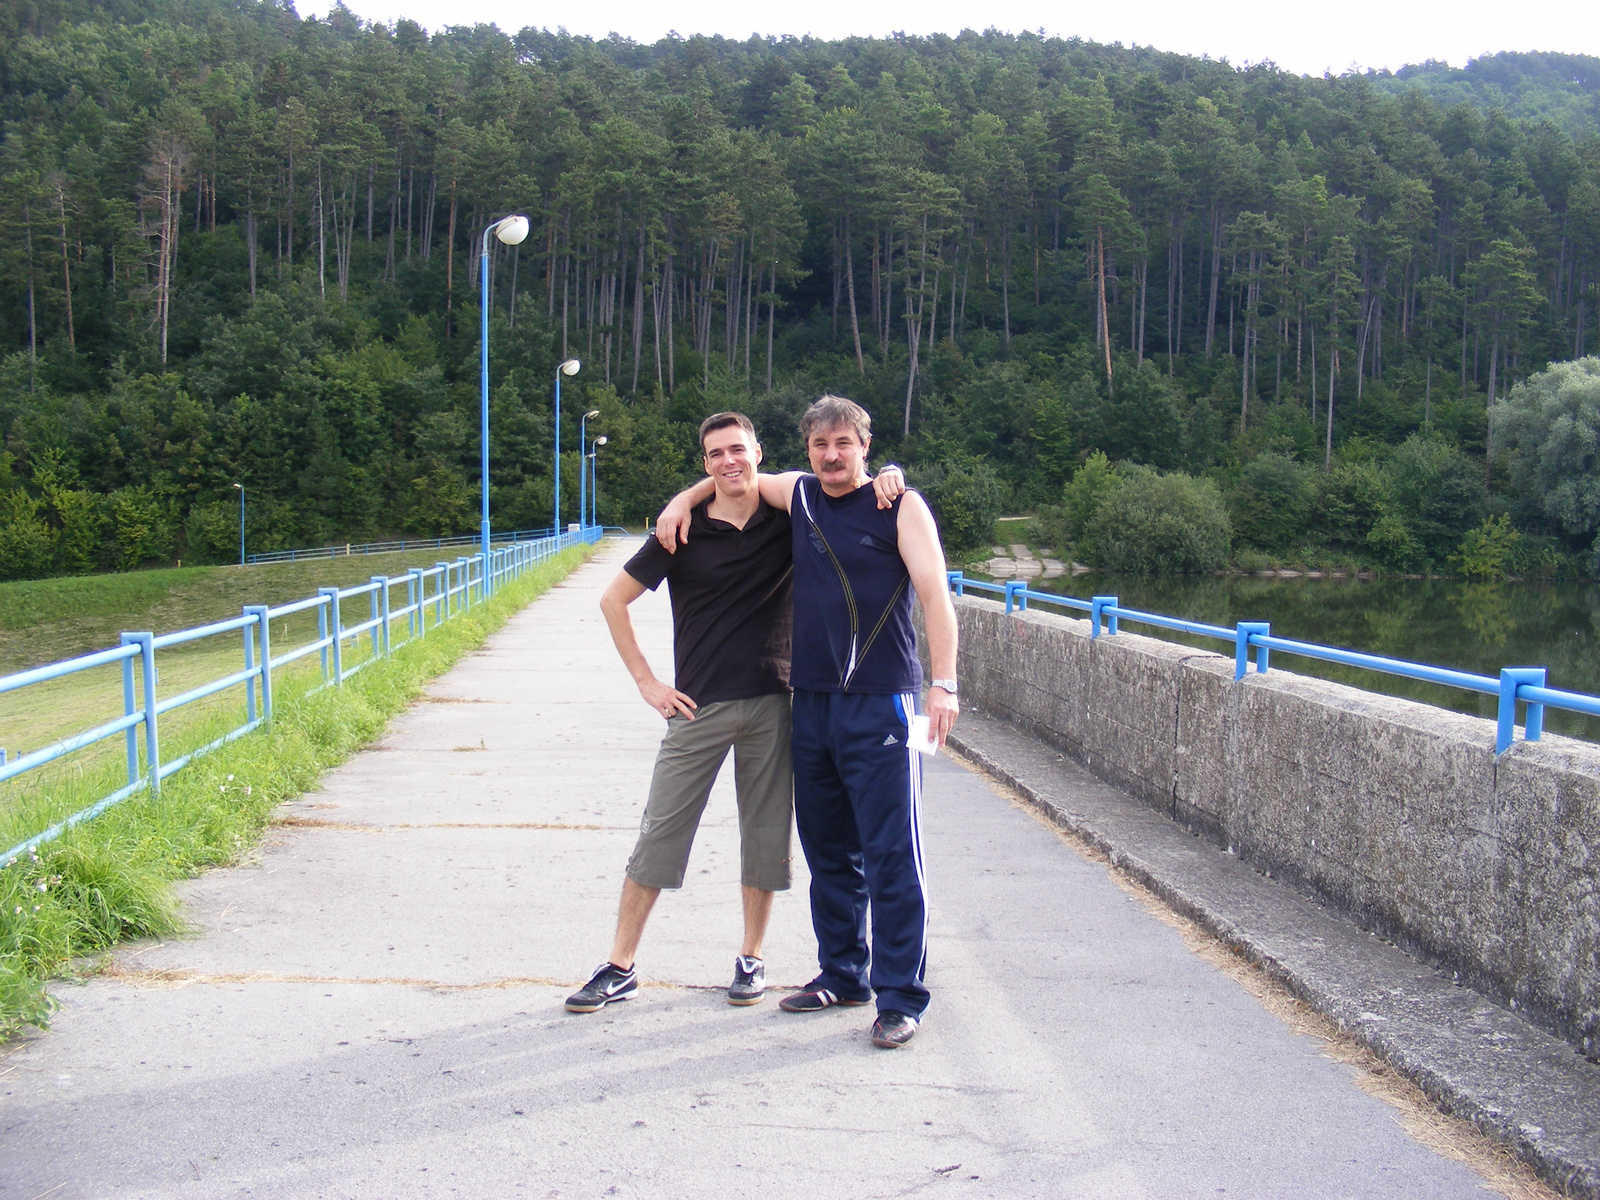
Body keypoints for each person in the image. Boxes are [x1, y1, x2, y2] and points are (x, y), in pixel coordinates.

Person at [566, 412, 903, 1013]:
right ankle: (620, 965)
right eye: (716, 454)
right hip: (697, 708)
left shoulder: (789, 516)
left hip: (776, 703)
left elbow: (839, 477)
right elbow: (612, 600)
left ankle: (752, 958)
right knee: (660, 835)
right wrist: (648, 683)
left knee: (766, 839)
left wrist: (890, 474)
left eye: (738, 451)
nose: (729, 462)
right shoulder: (681, 529)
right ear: (705, 464)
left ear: (758, 454)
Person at [656, 395, 958, 1049]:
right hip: (811, 700)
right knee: (828, 849)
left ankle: (901, 996)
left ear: (864, 445)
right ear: (808, 449)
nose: (831, 455)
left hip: (884, 702)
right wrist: (680, 502)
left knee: (892, 854)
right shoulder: (800, 495)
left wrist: (945, 684)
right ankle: (844, 973)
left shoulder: (899, 506)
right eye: (820, 445)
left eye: (843, 443)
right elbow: (729, 474)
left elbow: (934, 594)